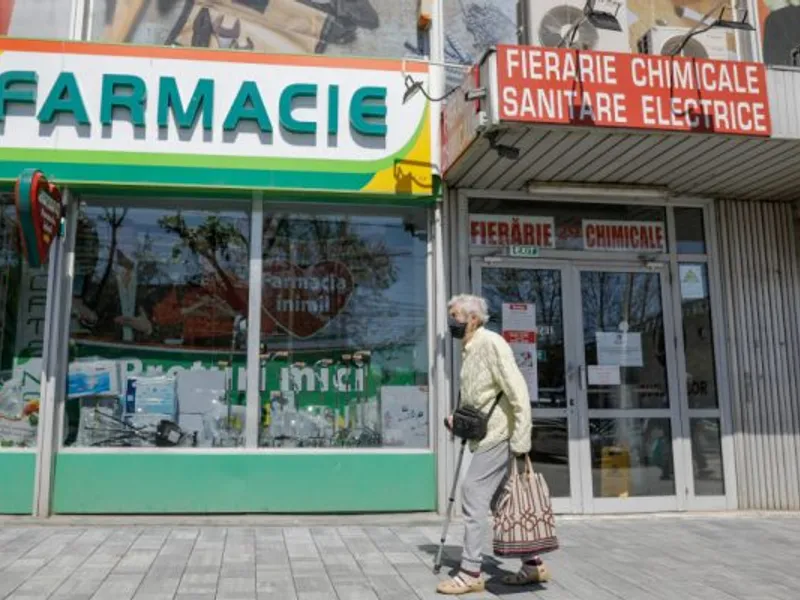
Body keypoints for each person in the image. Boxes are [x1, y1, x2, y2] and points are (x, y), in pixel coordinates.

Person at [436, 294, 550, 596]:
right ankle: (532, 564)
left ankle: (471, 572)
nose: (452, 322)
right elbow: (480, 397)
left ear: (473, 318)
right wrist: (457, 419)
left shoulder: (492, 343)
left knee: (472, 492)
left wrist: (521, 440)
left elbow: (517, 392)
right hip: (483, 433)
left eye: (456, 316)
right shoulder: (469, 348)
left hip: (498, 435)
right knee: (501, 500)